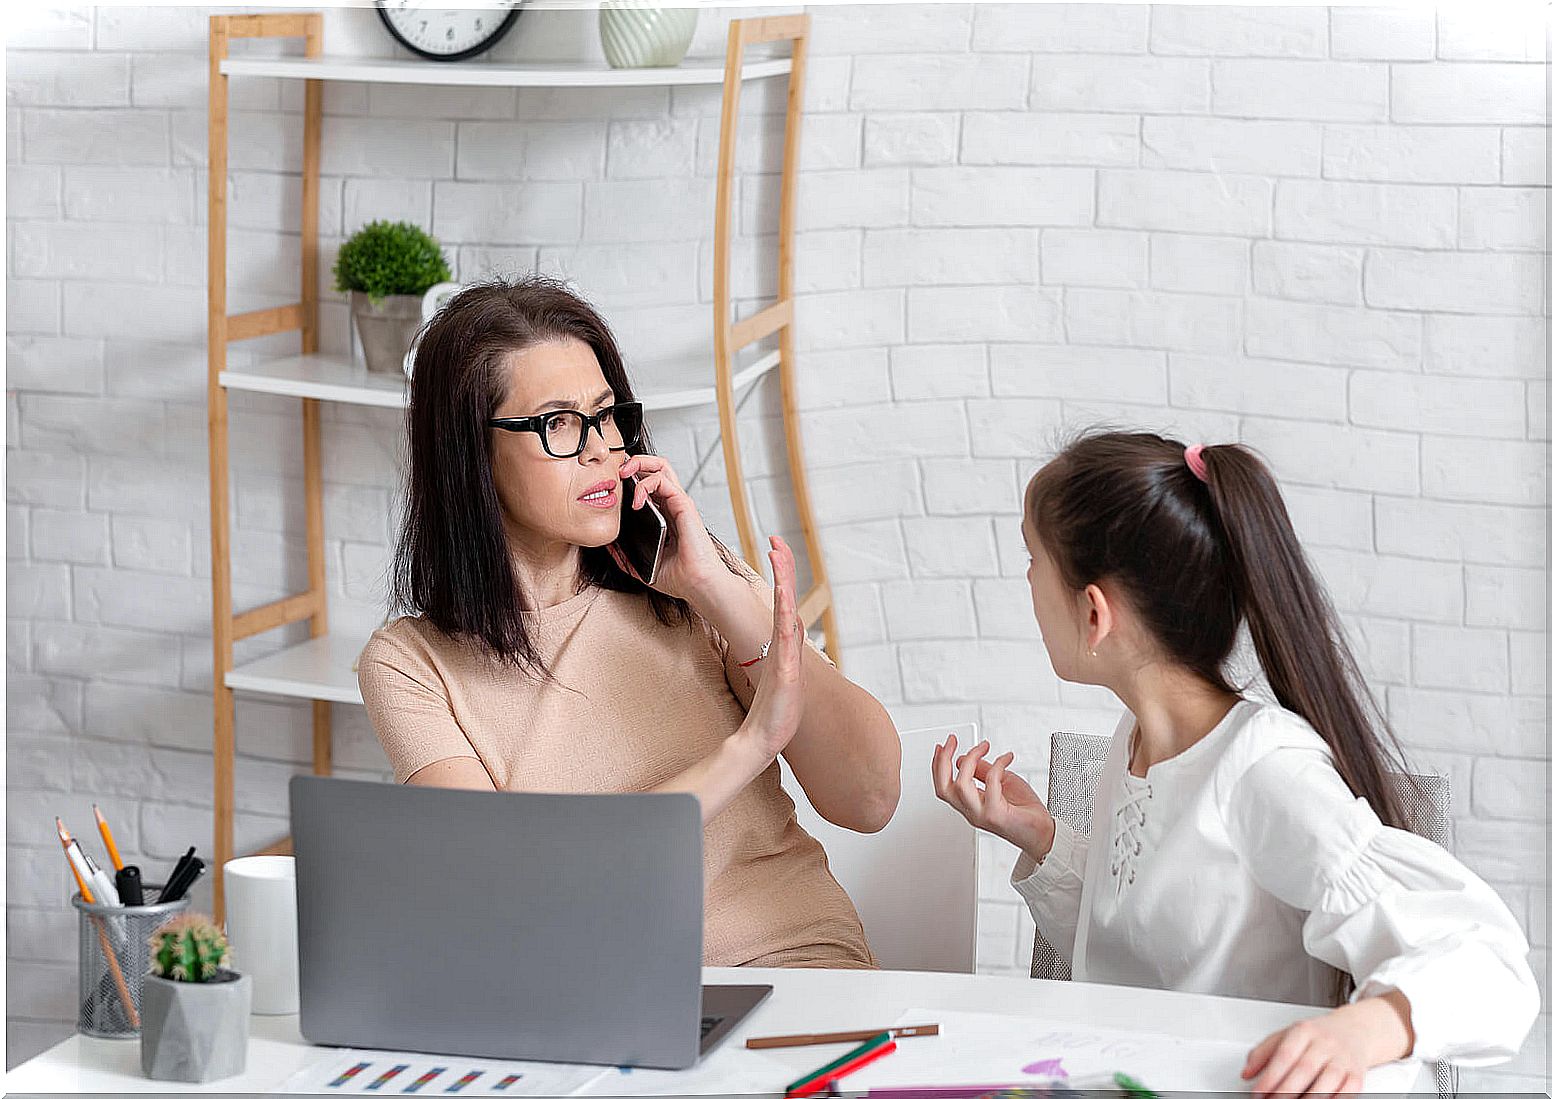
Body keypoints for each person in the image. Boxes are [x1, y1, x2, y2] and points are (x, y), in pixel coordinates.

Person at [932, 430, 1538, 1095]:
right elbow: (1145, 956)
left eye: (1032, 557)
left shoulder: (1263, 771)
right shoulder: (1137, 738)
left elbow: (1490, 964)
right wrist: (1041, 838)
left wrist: (1359, 1030)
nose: (1025, 578)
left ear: (1094, 610)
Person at [359, 276, 900, 969]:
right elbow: (509, 885)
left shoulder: (695, 582)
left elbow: (872, 794)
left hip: (788, 964)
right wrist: (747, 748)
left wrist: (716, 591)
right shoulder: (412, 664)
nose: (599, 449)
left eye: (606, 414)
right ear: (470, 454)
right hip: (584, 996)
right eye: (557, 422)